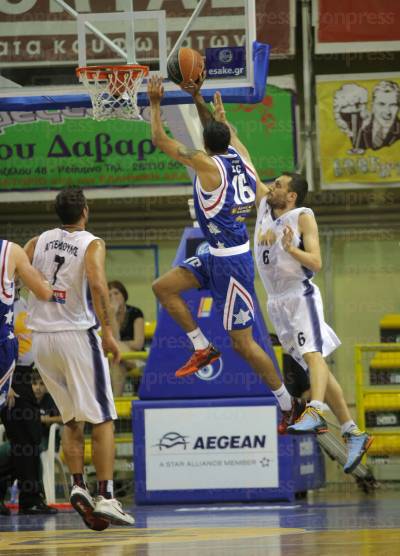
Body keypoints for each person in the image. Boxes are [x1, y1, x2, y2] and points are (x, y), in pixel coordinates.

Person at [147, 75, 295, 430]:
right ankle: (202, 346)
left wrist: (154, 103)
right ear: (227, 137)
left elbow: (159, 139)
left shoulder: (207, 166)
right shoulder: (242, 156)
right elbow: (217, 129)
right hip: (217, 252)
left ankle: (287, 403)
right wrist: (197, 98)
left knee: (243, 344)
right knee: (163, 288)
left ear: (205, 144)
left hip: (234, 264)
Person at [24, 187, 134, 530]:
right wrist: (110, 332)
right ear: (85, 211)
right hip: (75, 336)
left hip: (41, 339)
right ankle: (107, 496)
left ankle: (78, 485)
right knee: (102, 418)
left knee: (72, 419)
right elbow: (99, 285)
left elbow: (16, 275)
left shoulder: (37, 241)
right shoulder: (92, 242)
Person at [252, 172, 373, 473]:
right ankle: (352, 431)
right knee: (314, 364)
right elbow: (247, 164)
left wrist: (291, 248)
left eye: (279, 184)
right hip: (276, 301)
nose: (272, 187)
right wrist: (226, 129)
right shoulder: (265, 209)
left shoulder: (302, 216)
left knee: (313, 356)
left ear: (291, 195)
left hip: (299, 295)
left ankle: (315, 411)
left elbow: (317, 263)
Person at [0, 292, 58, 515]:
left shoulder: (23, 303)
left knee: (30, 440)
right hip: (10, 377)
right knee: (24, 440)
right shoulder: (3, 306)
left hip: (25, 374)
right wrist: (5, 382)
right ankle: (30, 500)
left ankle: (30, 498)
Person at [108, 281, 145, 396]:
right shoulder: (108, 316)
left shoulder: (135, 312)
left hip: (136, 356)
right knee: (117, 365)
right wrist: (112, 316)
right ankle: (117, 406)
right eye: (109, 295)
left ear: (123, 294)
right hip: (119, 359)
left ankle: (115, 408)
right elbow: (115, 338)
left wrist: (121, 345)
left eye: (116, 293)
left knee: (116, 350)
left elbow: (138, 344)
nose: (113, 297)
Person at [359, 81, 400, 150]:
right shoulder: (360, 128)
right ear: (372, 106)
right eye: (381, 104)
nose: (387, 111)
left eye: (393, 105)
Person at [31, 371, 62, 451]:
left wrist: (46, 419)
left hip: (47, 439)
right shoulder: (26, 400)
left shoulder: (50, 399)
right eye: (34, 384)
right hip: (28, 437)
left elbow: (64, 419)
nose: (38, 387)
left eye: (42, 384)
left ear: (46, 386)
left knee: (32, 451)